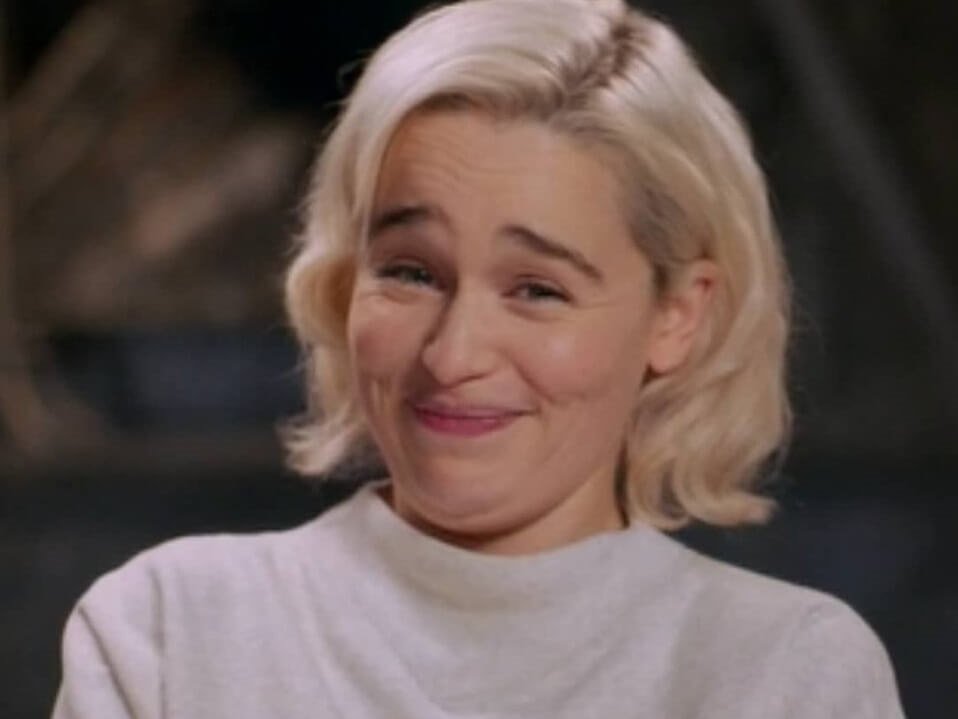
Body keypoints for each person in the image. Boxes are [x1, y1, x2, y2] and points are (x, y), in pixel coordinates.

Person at [52, 0, 906, 717]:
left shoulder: (791, 672)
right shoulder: (166, 632)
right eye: (411, 272)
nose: (453, 354)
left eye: (537, 289)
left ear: (678, 315)